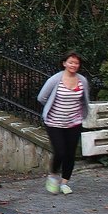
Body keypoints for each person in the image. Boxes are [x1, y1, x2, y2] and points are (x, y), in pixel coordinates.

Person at [36, 51, 92, 195]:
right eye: (71, 62)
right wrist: (52, 107)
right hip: (54, 122)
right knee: (60, 152)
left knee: (70, 154)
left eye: (76, 63)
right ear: (64, 63)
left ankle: (65, 183)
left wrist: (82, 114)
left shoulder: (82, 81)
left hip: (74, 122)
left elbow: (84, 99)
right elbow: (42, 97)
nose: (73, 65)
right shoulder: (55, 80)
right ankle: (53, 175)